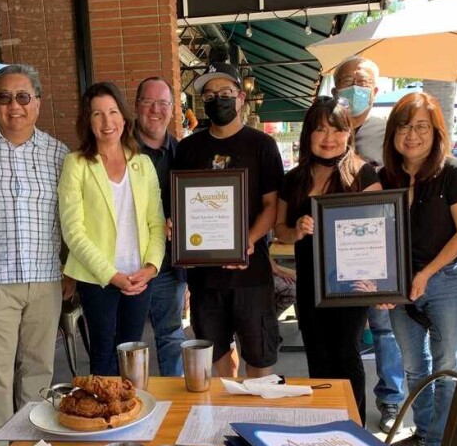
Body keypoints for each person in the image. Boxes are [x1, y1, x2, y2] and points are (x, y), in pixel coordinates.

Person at [0, 64, 70, 446]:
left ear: (37, 102)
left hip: (44, 278)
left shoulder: (58, 154)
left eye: (23, 97)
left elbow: (71, 216)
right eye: (3, 97)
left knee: (38, 370)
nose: (14, 106)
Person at [379, 93, 457, 446]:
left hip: (445, 278)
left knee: (445, 363)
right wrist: (380, 280)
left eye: (421, 126)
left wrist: (426, 273)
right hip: (400, 284)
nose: (412, 135)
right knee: (412, 364)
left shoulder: (454, 171)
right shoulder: (385, 175)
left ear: (436, 132)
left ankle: (440, 442)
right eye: (403, 126)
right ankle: (423, 433)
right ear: (392, 133)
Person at [274, 96, 382, 424]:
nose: (329, 138)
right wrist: (297, 230)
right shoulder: (294, 179)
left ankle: (355, 427)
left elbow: (381, 233)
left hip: (351, 285)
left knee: (347, 356)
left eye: (337, 130)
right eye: (320, 130)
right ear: (308, 134)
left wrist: (379, 282)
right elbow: (280, 230)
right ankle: (323, 424)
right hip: (309, 284)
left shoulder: (363, 174)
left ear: (348, 133)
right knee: (318, 358)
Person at [173, 62, 283, 377]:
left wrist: (246, 240)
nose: (217, 99)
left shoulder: (262, 145)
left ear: (240, 99)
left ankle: (257, 426)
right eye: (209, 94)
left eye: (225, 93)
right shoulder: (189, 148)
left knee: (259, 363)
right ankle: (223, 426)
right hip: (205, 279)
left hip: (251, 275)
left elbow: (271, 206)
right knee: (217, 367)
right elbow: (182, 206)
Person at [59, 82, 165, 375]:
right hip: (98, 278)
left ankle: (131, 416)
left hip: (139, 276)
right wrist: (112, 275)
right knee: (103, 356)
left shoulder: (142, 164)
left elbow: (156, 223)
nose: (107, 122)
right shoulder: (76, 164)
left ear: (124, 116)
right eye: (97, 114)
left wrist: (151, 267)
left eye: (113, 112)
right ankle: (104, 418)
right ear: (87, 121)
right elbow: (73, 231)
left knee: (132, 355)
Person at [332, 55, 406, 432]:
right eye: (347, 82)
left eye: (362, 83)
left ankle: (391, 399)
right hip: (335, 253)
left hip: (376, 250)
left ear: (375, 91)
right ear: (334, 89)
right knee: (342, 333)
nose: (354, 89)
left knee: (383, 328)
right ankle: (339, 402)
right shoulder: (327, 128)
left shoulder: (392, 132)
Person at [133, 77, 187, 376]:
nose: (155, 110)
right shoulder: (118, 151)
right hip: (125, 266)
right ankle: (127, 409)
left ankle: (174, 412)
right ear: (136, 105)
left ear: (172, 109)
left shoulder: (184, 155)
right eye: (148, 102)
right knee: (126, 342)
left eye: (163, 103)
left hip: (169, 268)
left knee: (171, 337)